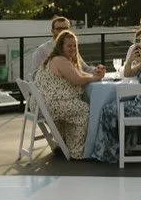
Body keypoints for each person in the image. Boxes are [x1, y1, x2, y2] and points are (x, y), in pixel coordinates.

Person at [92, 29, 141, 162]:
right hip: (140, 101)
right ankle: (115, 150)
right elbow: (127, 74)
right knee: (108, 109)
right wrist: (131, 60)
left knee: (110, 110)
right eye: (139, 42)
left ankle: (112, 152)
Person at [34, 30, 104, 158]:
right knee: (84, 110)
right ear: (61, 46)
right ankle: (76, 151)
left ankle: (66, 145)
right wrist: (94, 78)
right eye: (69, 46)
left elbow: (78, 74)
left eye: (74, 45)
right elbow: (77, 80)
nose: (73, 48)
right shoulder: (61, 60)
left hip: (42, 105)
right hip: (51, 104)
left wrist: (93, 75)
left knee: (75, 108)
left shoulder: (55, 58)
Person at [31, 15, 99, 76]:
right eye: (59, 29)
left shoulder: (72, 49)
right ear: (52, 31)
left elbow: (85, 68)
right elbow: (35, 74)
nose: (62, 32)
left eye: (65, 29)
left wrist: (97, 70)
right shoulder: (42, 50)